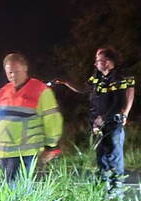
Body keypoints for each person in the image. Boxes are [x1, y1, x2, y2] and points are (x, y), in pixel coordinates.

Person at [52, 47, 135, 192]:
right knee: (101, 153)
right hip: (98, 122)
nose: (95, 63)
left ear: (108, 62)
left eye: (99, 60)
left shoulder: (120, 77)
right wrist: (65, 82)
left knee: (114, 153)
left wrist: (108, 117)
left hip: (113, 121)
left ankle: (117, 186)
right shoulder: (97, 77)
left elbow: (119, 102)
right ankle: (103, 184)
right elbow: (83, 89)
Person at [0, 52, 62, 181]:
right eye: (9, 73)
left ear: (25, 68)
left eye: (16, 71)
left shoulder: (40, 90)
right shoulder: (2, 92)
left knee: (25, 195)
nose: (13, 76)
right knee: (10, 195)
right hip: (5, 154)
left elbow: (51, 120)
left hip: (29, 153)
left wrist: (51, 146)